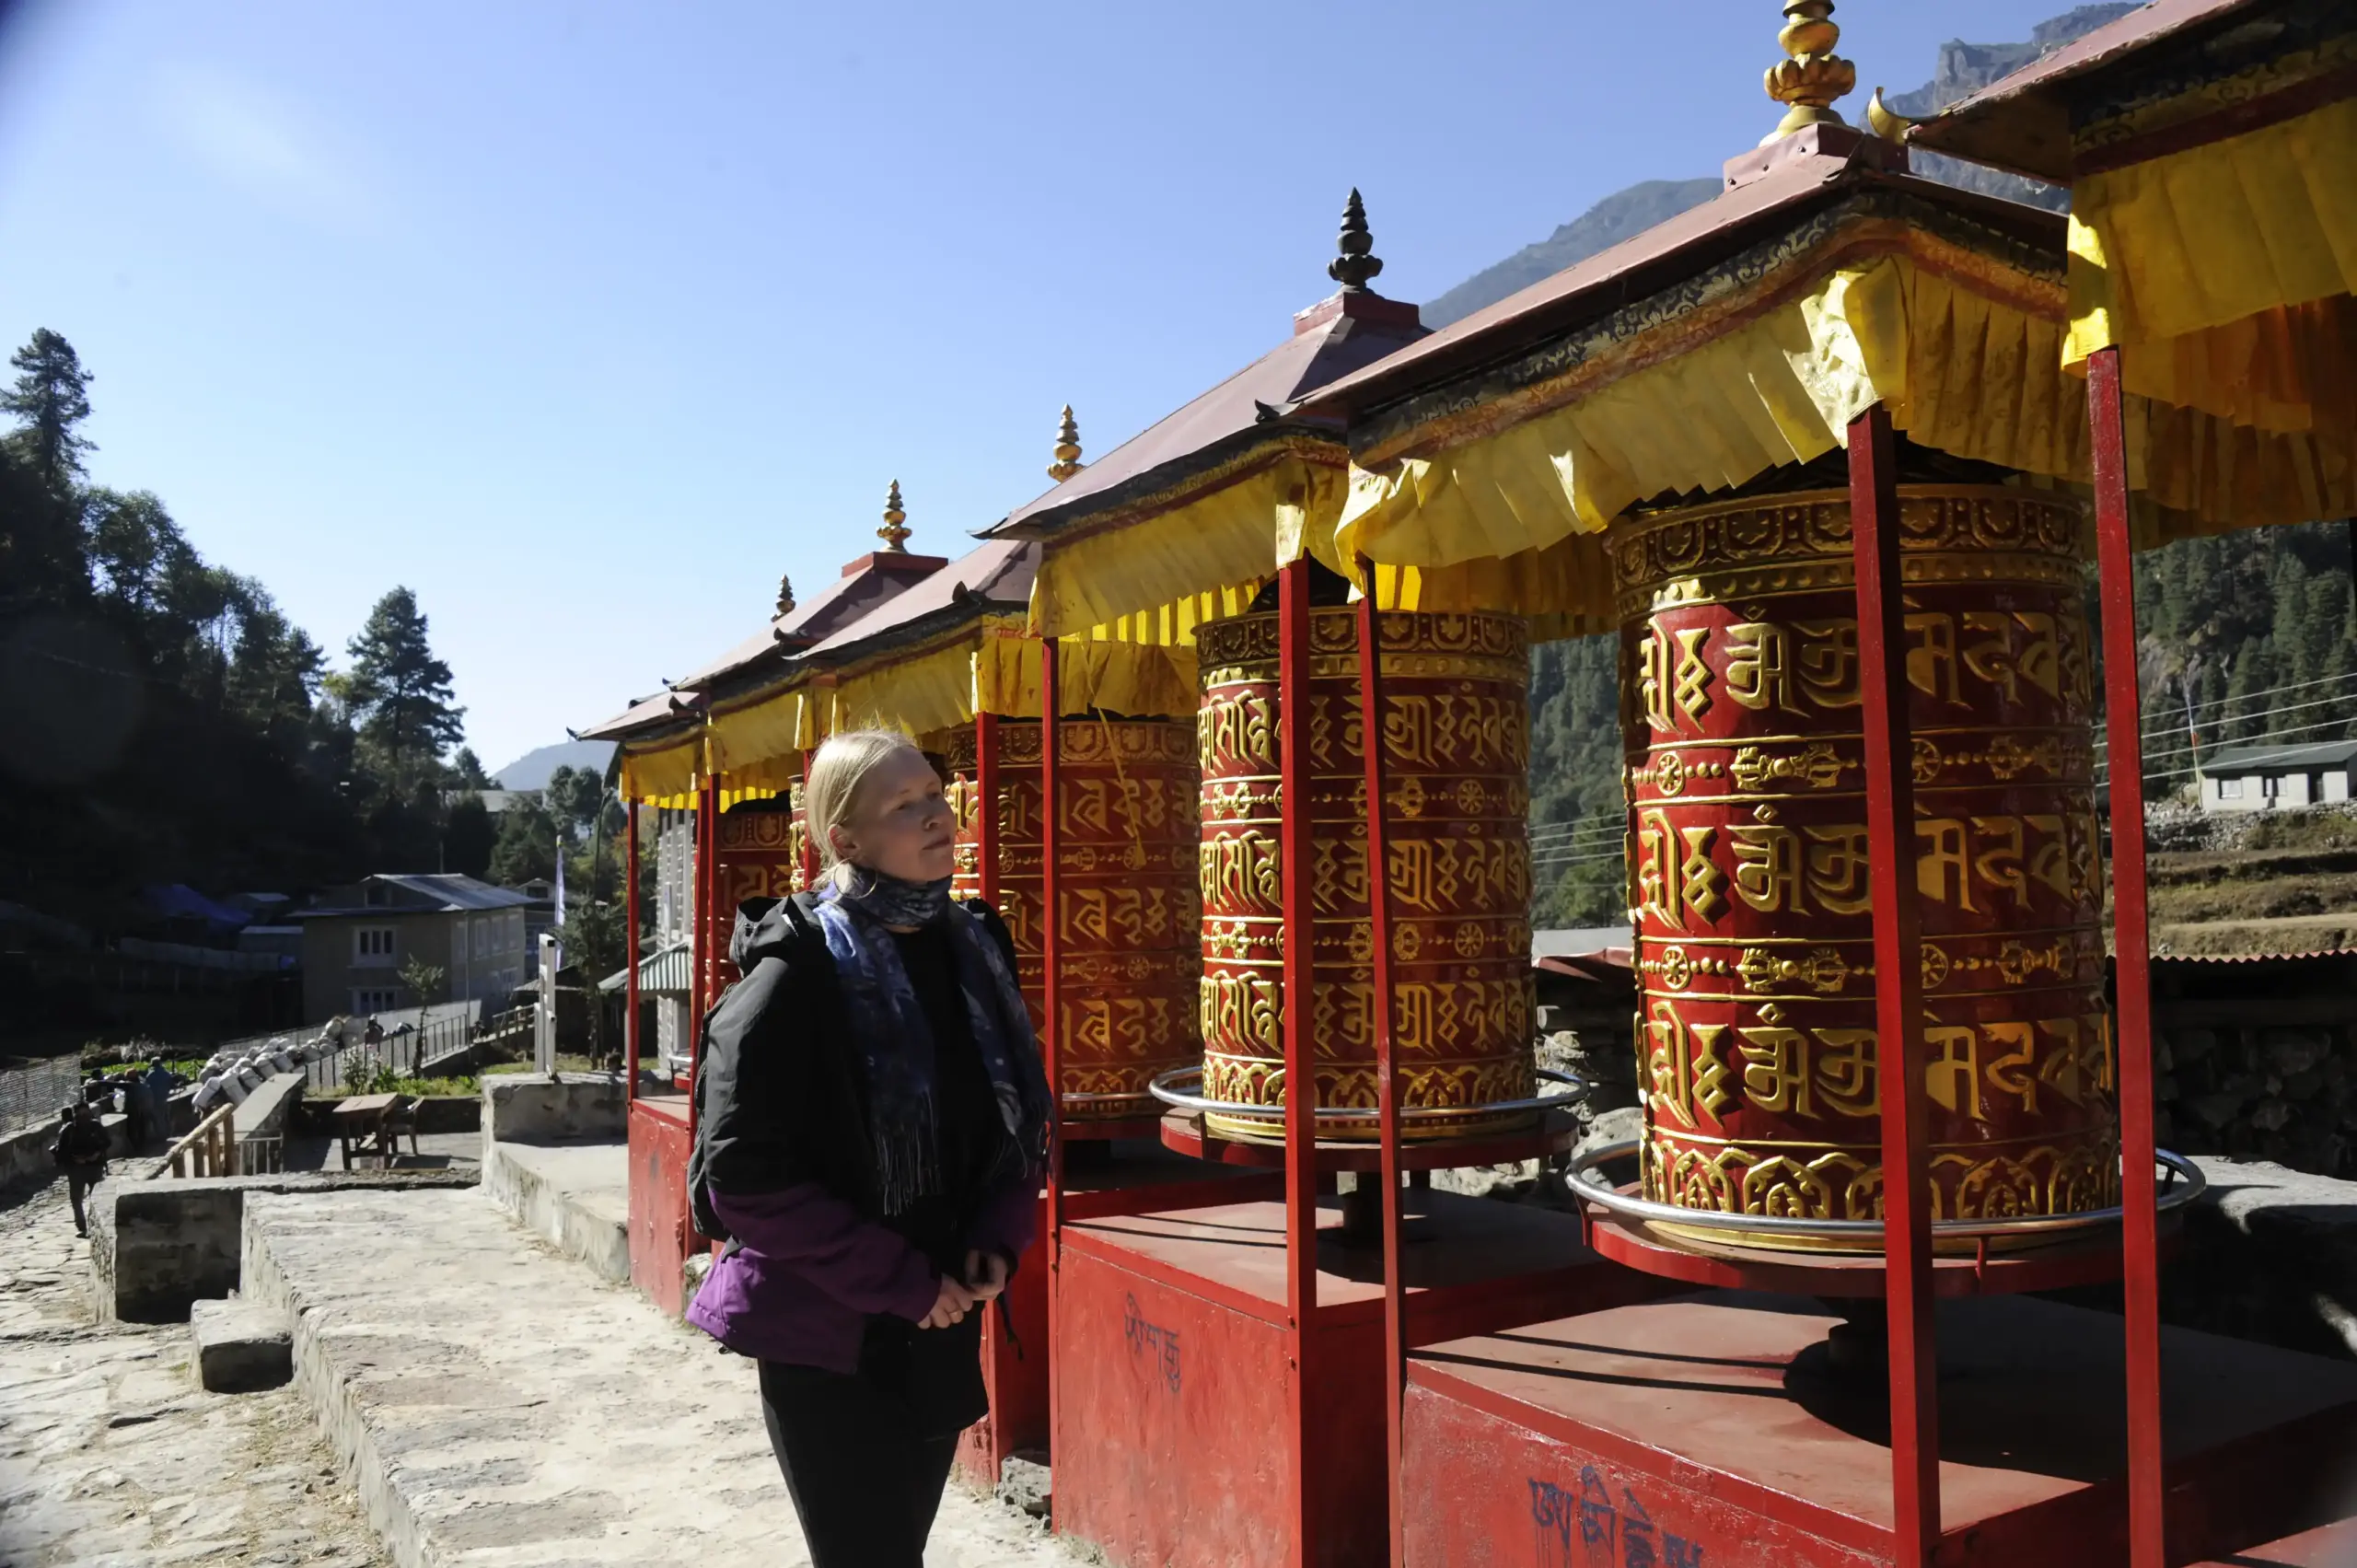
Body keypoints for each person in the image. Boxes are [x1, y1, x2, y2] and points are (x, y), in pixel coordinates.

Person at [686, 729, 1051, 1568]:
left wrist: (997, 1235)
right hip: (831, 1331)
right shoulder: (796, 972)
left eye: (935, 791)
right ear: (843, 840)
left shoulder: (974, 948)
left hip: (939, 1318)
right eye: (906, 805)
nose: (938, 815)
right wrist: (903, 1282)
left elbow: (1014, 1123)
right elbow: (740, 1175)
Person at [51, 1103, 111, 1237]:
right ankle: (82, 1227)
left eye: (86, 1113)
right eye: (81, 1114)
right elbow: (61, 1151)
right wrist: (74, 1159)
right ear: (75, 1115)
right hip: (76, 1169)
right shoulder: (69, 1130)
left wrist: (97, 1153)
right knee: (76, 1199)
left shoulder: (96, 1126)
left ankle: (97, 1223)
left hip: (95, 1167)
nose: (84, 1117)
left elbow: (107, 1142)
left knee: (97, 1196)